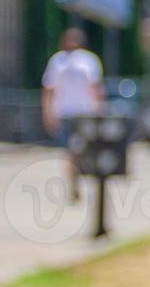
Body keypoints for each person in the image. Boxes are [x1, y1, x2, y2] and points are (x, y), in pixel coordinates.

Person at [42, 28, 105, 204]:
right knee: (71, 151)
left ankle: (80, 179)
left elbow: (96, 87)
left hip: (85, 113)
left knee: (84, 151)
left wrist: (100, 109)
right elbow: (49, 89)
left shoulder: (88, 60)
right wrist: (47, 113)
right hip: (65, 113)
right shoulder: (57, 61)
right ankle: (73, 184)